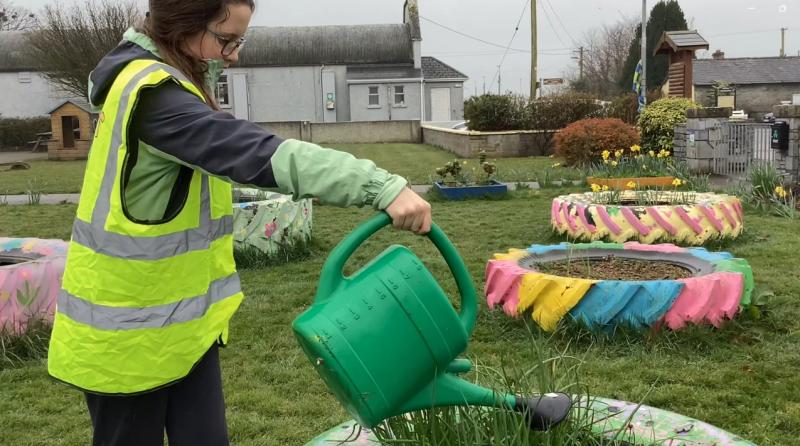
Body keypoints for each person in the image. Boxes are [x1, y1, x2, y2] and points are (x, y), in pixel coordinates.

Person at [46, 1, 432, 445]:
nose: (234, 55)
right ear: (182, 27)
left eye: (239, 40)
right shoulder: (156, 98)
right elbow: (256, 152)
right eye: (227, 40)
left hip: (184, 330)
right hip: (125, 341)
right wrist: (378, 185)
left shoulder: (169, 83)